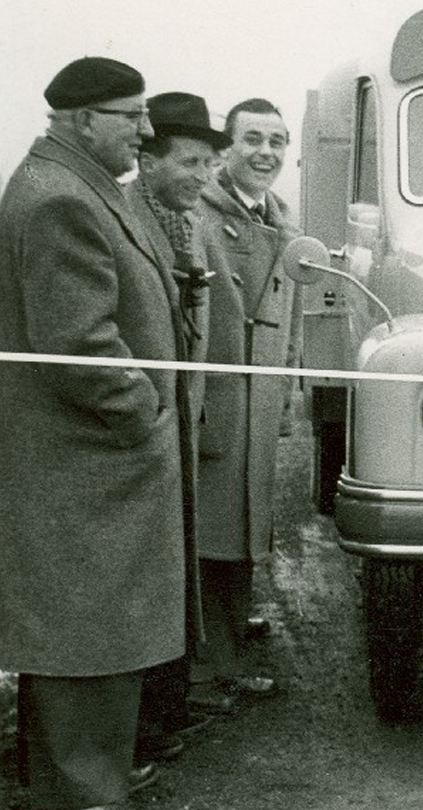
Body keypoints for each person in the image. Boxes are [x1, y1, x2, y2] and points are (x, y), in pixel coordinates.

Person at [0, 56, 198, 808]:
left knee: (91, 648)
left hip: (93, 473)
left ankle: (82, 786)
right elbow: (77, 344)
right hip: (89, 474)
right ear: (85, 121)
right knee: (87, 649)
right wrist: (143, 412)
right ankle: (86, 794)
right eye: (133, 116)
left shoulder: (75, 185)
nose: (146, 131)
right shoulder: (59, 197)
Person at [126, 90, 233, 759]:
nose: (203, 175)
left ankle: (165, 708)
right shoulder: (130, 217)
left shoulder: (187, 222)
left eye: (208, 163)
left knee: (174, 562)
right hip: (145, 422)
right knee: (145, 570)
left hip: (179, 419)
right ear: (149, 160)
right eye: (190, 162)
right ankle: (141, 723)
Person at [191, 98, 299, 704]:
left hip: (256, 403)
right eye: (253, 139)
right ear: (226, 149)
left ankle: (228, 639)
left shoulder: (278, 217)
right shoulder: (202, 216)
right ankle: (210, 672)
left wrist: (284, 400)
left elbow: (289, 320)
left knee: (242, 531)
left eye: (277, 142)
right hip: (219, 405)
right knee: (213, 537)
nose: (266, 152)